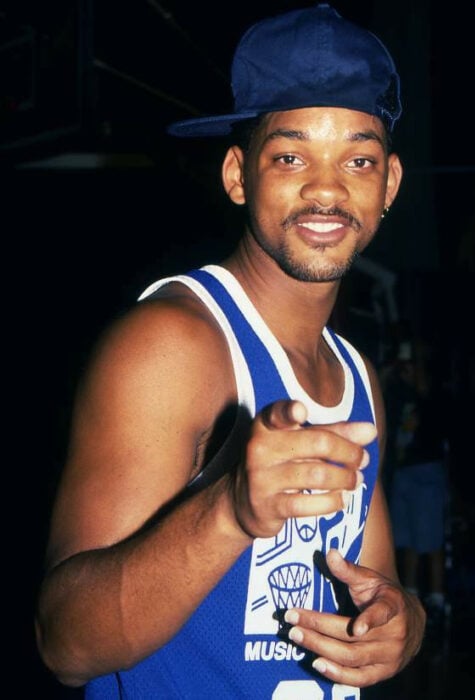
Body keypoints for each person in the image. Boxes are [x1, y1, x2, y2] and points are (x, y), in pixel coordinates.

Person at [34, 5, 426, 698]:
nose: (328, 187)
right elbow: (65, 644)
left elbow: (379, 583)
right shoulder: (171, 345)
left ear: (388, 184)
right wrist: (231, 511)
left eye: (358, 159)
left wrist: (405, 623)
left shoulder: (355, 375)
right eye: (291, 156)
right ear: (238, 176)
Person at [381, 336, 449, 641]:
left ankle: (436, 601)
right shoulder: (398, 390)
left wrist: (417, 363)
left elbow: (425, 390)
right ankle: (410, 598)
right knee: (406, 539)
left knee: (429, 540)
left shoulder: (433, 392)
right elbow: (380, 387)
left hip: (427, 472)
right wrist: (395, 368)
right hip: (404, 472)